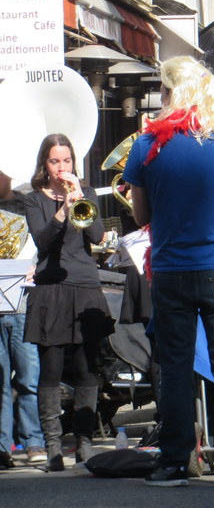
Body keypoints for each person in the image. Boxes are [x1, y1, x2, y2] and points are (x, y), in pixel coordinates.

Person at [123, 56, 214, 486]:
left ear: (170, 93)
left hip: (171, 268)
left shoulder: (147, 145)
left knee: (175, 366)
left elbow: (140, 216)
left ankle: (173, 463)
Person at [23, 135, 114, 471]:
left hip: (85, 284)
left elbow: (97, 235)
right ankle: (52, 447)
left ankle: (85, 443)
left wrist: (79, 197)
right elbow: (43, 241)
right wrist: (62, 210)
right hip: (51, 288)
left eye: (66, 161)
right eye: (54, 161)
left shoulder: (86, 194)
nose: (61, 167)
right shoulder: (34, 199)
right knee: (50, 370)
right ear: (44, 165)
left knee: (87, 369)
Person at [0, 171, 46, 468]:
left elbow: (41, 243)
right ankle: (2, 446)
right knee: (0, 381)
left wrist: (34, 267)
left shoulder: (27, 203)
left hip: (22, 302)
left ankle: (33, 441)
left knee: (29, 377)